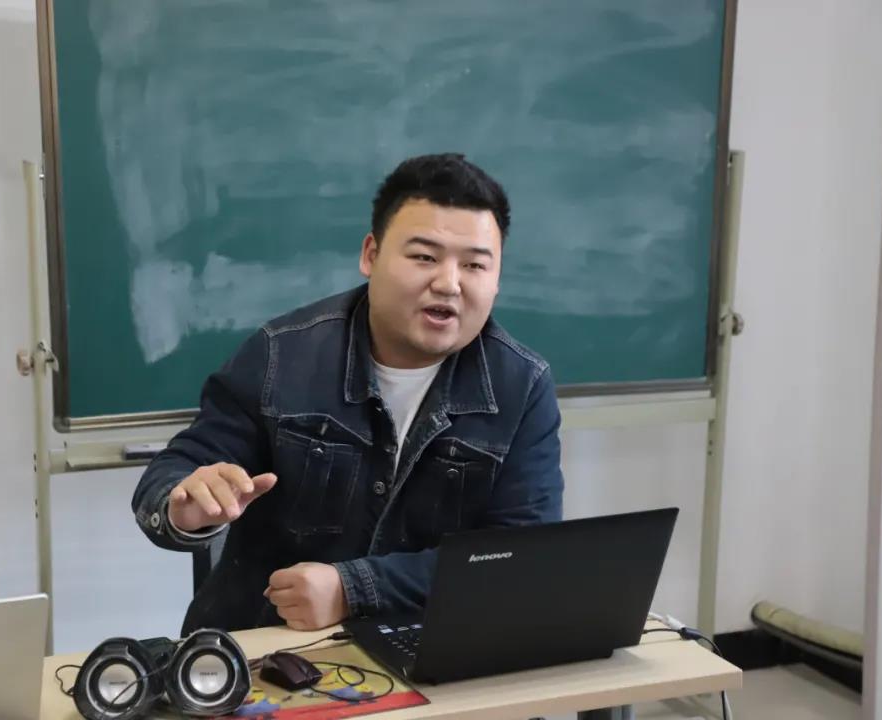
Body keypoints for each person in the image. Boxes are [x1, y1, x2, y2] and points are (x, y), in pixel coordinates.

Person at [132, 153, 564, 636]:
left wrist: (352, 590)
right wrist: (185, 506)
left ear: (497, 279)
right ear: (370, 255)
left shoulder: (521, 386)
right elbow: (172, 475)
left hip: (427, 648)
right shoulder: (281, 355)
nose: (449, 284)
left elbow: (520, 558)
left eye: (474, 265)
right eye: (424, 257)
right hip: (269, 646)